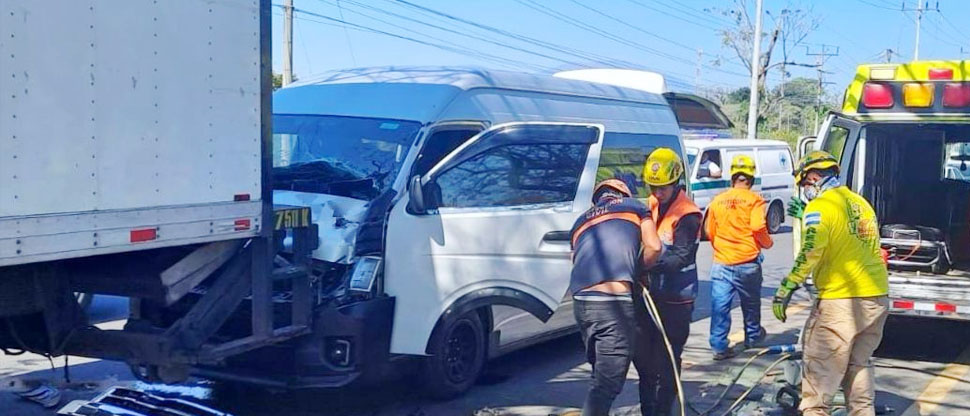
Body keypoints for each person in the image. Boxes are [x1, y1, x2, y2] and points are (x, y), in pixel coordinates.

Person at [773, 150, 889, 416]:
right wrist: (806, 216)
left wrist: (787, 287)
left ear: (813, 177)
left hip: (841, 302)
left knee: (819, 381)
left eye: (804, 184)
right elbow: (845, 237)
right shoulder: (860, 203)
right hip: (876, 298)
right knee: (858, 367)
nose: (805, 190)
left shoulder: (821, 207)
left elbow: (810, 250)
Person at [570, 179, 662, 416]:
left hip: (581, 303)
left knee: (599, 373)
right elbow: (654, 247)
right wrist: (637, 270)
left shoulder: (581, 221)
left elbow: (575, 260)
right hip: (612, 304)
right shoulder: (636, 207)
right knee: (607, 383)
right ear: (624, 193)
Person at [636, 148, 702, 416]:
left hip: (677, 297)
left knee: (668, 360)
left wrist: (644, 265)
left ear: (676, 183)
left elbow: (681, 256)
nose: (657, 192)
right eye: (653, 187)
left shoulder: (688, 214)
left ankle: (664, 411)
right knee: (644, 359)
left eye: (662, 187)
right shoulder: (653, 204)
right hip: (652, 294)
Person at [705, 155, 773, 360]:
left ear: (732, 177)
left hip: (722, 262)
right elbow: (758, 226)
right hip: (747, 262)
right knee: (750, 304)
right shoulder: (755, 200)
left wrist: (722, 248)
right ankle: (752, 338)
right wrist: (766, 243)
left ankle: (719, 346)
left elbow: (710, 231)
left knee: (720, 306)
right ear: (751, 179)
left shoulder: (717, 200)